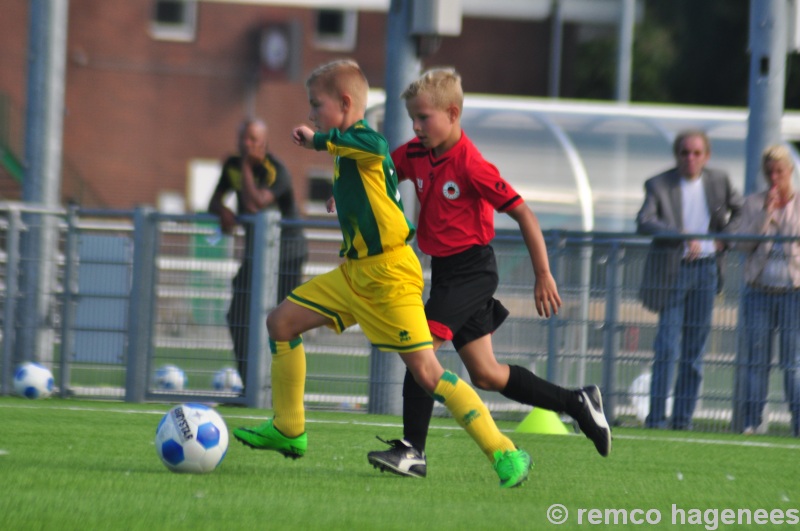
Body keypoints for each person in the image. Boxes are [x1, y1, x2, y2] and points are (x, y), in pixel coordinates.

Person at [232, 59, 533, 488]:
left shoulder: (362, 139)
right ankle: (288, 429)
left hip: (391, 275)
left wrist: (319, 140)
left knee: (428, 374)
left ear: (345, 103)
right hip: (354, 274)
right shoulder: (346, 148)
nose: (312, 113)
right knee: (280, 322)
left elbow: (371, 148)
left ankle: (506, 453)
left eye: (317, 105)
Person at [365, 68, 612, 479]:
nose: (416, 127)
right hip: (446, 272)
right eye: (413, 119)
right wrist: (351, 199)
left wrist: (543, 274)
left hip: (472, 270)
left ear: (453, 113)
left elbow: (524, 213)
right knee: (486, 373)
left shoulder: (471, 164)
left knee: (419, 350)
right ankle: (578, 403)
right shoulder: (415, 153)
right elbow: (380, 173)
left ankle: (412, 450)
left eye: (424, 118)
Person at [636, 129, 743, 430]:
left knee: (694, 352)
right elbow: (645, 221)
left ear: (706, 156)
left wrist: (724, 239)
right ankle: (656, 419)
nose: (690, 158)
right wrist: (682, 237)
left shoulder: (718, 181)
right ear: (677, 155)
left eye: (697, 153)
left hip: (708, 271)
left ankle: (682, 420)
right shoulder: (659, 184)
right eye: (684, 152)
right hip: (674, 273)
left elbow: (742, 211)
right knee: (667, 347)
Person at [208, 118, 307, 388]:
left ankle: (279, 388)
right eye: (243, 138)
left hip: (286, 255)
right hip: (256, 255)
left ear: (264, 144)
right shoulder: (232, 166)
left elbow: (255, 206)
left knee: (280, 321)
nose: (246, 144)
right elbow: (213, 201)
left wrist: (246, 168)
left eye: (253, 140)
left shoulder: (275, 171)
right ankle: (250, 386)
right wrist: (224, 211)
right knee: (237, 315)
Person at [734, 144, 800, 437]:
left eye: (780, 172)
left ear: (791, 172)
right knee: (756, 361)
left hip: (793, 292)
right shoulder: (753, 203)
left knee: (793, 363)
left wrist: (784, 212)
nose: (775, 177)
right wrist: (765, 214)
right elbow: (743, 244)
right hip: (759, 291)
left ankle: (797, 423)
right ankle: (752, 422)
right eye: (770, 172)